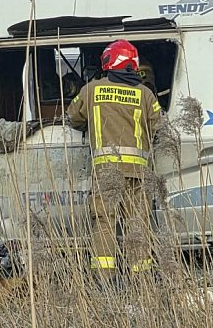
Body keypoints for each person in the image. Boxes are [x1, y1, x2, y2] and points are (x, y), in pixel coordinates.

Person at [66, 40, 162, 281]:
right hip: (138, 174)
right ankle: (141, 279)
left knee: (104, 223)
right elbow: (157, 127)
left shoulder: (92, 90)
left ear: (108, 62)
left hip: (105, 171)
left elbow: (73, 118)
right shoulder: (146, 94)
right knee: (137, 224)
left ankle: (104, 280)